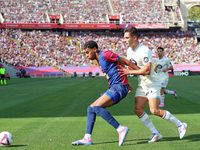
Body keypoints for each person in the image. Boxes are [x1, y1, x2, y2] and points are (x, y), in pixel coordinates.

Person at [119, 27, 187, 143]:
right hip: (142, 83)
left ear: (134, 37)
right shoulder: (129, 51)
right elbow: (134, 66)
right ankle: (156, 133)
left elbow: (146, 70)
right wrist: (124, 70)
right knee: (138, 109)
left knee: (154, 110)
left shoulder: (144, 50)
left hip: (152, 83)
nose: (124, 40)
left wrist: (129, 72)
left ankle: (180, 124)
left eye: (126, 38)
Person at [71, 40, 140, 146]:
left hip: (119, 87)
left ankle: (120, 129)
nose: (87, 55)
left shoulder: (106, 54)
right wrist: (127, 83)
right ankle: (87, 138)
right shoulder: (99, 61)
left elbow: (125, 62)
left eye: (87, 52)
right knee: (91, 108)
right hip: (116, 87)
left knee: (97, 107)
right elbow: (116, 70)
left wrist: (141, 71)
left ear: (94, 49)